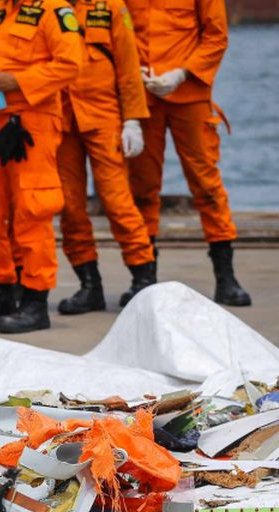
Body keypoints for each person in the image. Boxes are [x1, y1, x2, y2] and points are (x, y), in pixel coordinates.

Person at [0, 0, 84, 333]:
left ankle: (34, 300)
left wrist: (19, 81)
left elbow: (72, 63)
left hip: (32, 124)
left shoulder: (54, 11)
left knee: (33, 210)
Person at [125, 0, 249, 305]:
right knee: (141, 187)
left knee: (206, 184)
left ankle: (226, 276)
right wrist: (129, 70)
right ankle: (144, 276)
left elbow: (217, 35)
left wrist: (183, 73)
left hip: (190, 92)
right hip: (143, 94)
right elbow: (117, 29)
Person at [55, 0, 153, 315]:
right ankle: (89, 285)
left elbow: (127, 64)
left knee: (117, 201)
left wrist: (133, 119)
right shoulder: (47, 8)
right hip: (61, 119)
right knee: (69, 206)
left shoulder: (110, 7)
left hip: (104, 117)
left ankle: (144, 278)